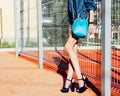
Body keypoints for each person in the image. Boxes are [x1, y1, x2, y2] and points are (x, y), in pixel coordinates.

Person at [60, 0, 97, 93]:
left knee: (68, 47)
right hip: (73, 23)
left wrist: (91, 23)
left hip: (80, 22)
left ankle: (80, 79)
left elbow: (91, 6)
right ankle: (69, 80)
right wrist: (70, 24)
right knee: (73, 50)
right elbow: (70, 9)